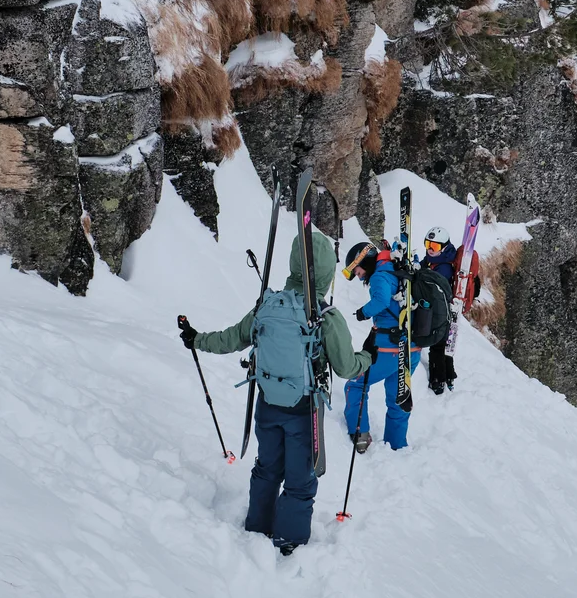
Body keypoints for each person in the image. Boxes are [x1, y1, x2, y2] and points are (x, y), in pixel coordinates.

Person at [180, 229, 370, 554]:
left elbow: (230, 339)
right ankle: (288, 540)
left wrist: (196, 338)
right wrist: (367, 358)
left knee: (267, 469)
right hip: (303, 411)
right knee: (301, 479)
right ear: (325, 272)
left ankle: (257, 528)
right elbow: (345, 367)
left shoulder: (266, 306)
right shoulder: (326, 317)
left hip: (266, 405)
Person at [341, 239, 421, 453]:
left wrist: (362, 312)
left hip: (389, 349)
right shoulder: (397, 270)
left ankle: (360, 435)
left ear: (364, 261)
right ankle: (396, 446)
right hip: (411, 348)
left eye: (357, 272)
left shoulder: (379, 276)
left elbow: (382, 301)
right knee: (398, 396)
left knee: (355, 384)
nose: (360, 277)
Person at [420, 227, 459, 395]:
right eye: (428, 244)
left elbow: (435, 288)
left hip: (443, 311)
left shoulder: (444, 267)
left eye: (434, 246)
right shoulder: (433, 260)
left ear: (444, 247)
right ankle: (448, 376)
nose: (430, 249)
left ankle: (438, 381)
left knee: (438, 345)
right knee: (443, 345)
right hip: (442, 309)